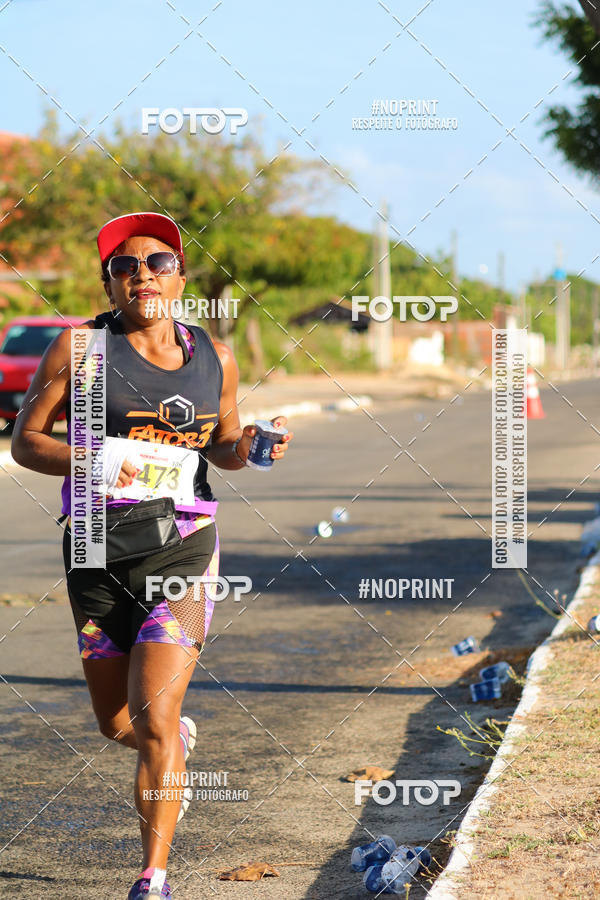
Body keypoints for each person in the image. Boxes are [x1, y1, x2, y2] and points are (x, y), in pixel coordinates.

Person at [11, 212, 293, 900]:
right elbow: (25, 443)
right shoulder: (80, 351)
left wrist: (250, 445)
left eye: (158, 262)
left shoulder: (215, 356)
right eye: (124, 266)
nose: (142, 274)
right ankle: (174, 748)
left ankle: (153, 877)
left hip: (183, 547)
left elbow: (220, 448)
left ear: (180, 278)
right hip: (93, 546)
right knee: (118, 725)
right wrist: (104, 459)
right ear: (109, 284)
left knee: (156, 718)